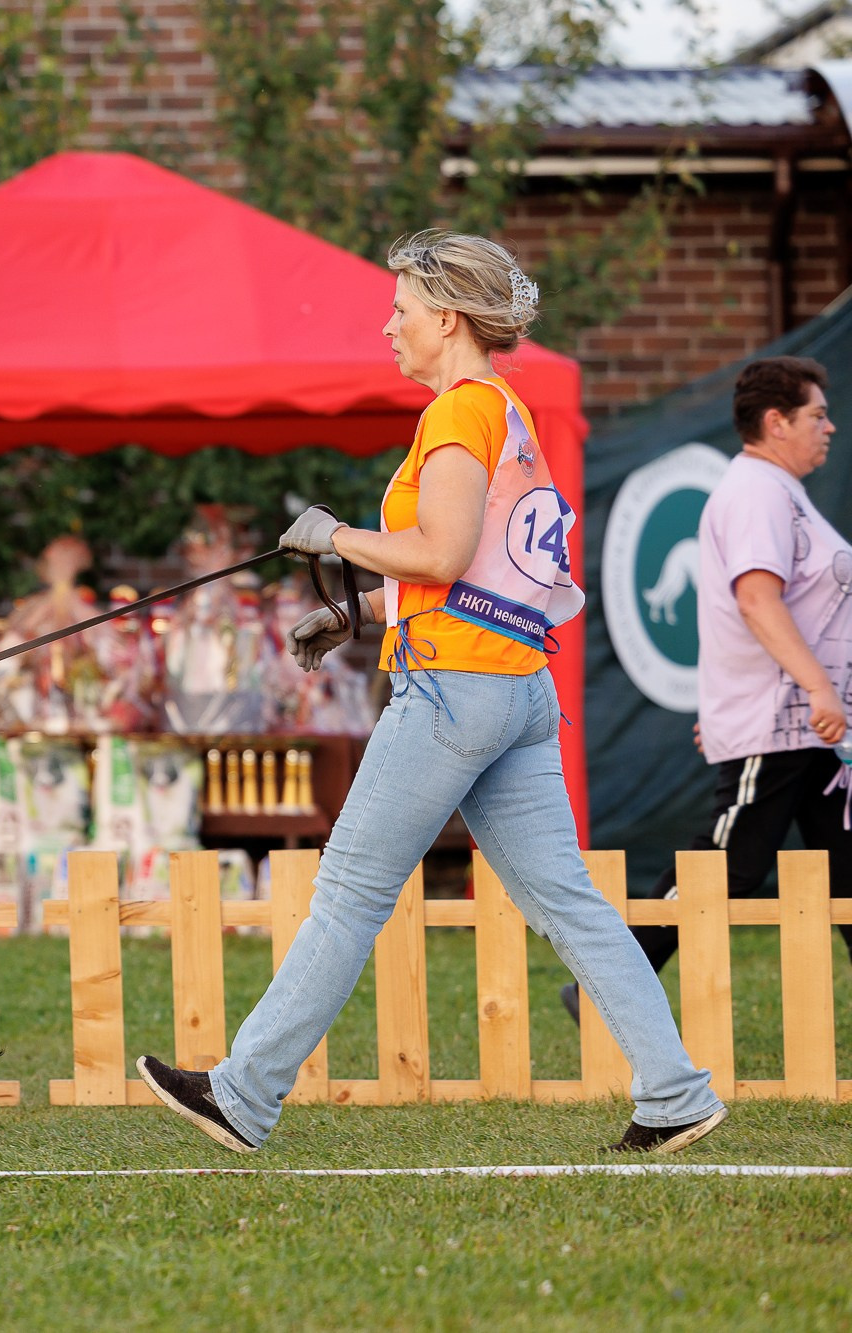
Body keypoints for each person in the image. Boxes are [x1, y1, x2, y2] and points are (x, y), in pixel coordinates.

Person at [136, 229, 727, 1154]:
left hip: (454, 690)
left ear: (446, 318)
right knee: (568, 902)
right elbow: (474, 569)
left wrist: (335, 537)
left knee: (348, 893)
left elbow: (442, 555)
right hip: (515, 688)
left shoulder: (458, 414)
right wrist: (358, 611)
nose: (389, 327)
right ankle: (677, 1094)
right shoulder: (506, 412)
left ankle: (243, 1094)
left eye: (401, 310)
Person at [562, 357, 852, 1023]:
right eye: (816, 414)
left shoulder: (780, 490)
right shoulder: (755, 491)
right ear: (776, 422)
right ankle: (604, 988)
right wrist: (812, 686)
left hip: (812, 728)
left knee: (849, 872)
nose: (829, 427)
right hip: (785, 720)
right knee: (730, 866)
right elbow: (754, 599)